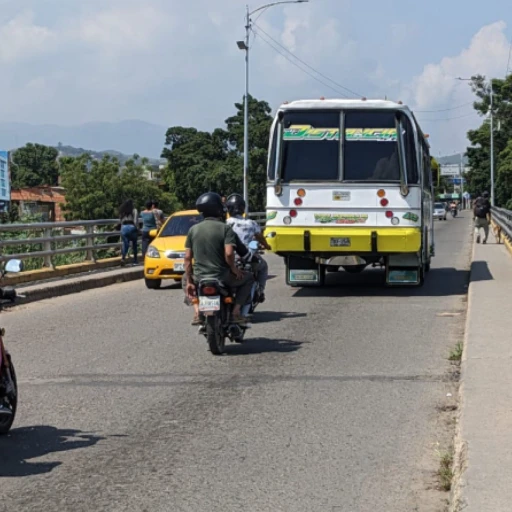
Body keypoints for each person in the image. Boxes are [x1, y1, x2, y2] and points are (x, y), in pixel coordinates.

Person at [184, 192, 254, 326]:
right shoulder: (225, 228)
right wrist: (234, 269)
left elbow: (187, 258)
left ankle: (197, 311)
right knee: (248, 278)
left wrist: (189, 281)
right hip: (222, 276)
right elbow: (229, 253)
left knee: (184, 281)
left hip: (200, 277)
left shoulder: (193, 230)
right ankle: (236, 312)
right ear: (218, 209)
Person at [225, 193, 271, 302]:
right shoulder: (251, 223)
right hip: (247, 258)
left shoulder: (225, 224)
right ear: (242, 208)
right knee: (263, 266)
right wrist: (267, 246)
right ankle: (260, 290)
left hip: (229, 259)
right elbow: (260, 238)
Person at [119, 199, 139, 264]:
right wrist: (137, 228)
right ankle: (135, 260)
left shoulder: (122, 211)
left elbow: (121, 221)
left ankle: (123, 258)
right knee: (134, 244)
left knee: (126, 244)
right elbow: (135, 221)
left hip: (124, 228)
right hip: (131, 227)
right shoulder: (134, 210)